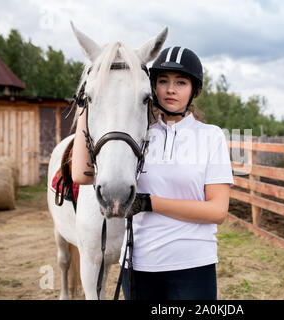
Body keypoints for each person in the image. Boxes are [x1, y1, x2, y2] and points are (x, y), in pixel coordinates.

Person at [75, 46, 234, 300]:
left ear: (195, 90)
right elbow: (80, 176)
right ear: (152, 87)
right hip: (139, 266)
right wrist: (89, 100)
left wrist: (149, 203)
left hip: (193, 264)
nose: (171, 89)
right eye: (163, 81)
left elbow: (218, 211)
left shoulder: (210, 136)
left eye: (181, 82)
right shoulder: (139, 137)